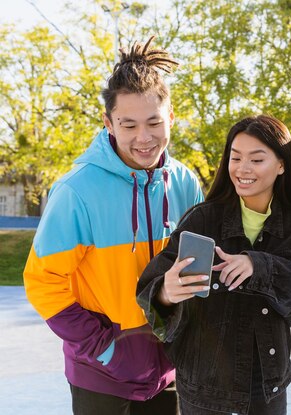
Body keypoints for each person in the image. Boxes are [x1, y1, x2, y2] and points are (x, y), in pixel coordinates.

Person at [23, 36, 204, 414]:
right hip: (102, 376)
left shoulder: (185, 182)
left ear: (171, 117)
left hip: (172, 371)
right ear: (109, 122)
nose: (144, 137)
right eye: (129, 124)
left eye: (154, 122)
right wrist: (106, 349)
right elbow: (43, 283)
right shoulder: (77, 191)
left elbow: (198, 269)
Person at [136, 114, 291, 415]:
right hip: (204, 389)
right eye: (236, 158)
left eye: (256, 159)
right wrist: (165, 293)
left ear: (282, 165)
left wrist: (257, 265)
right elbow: (150, 289)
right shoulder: (202, 219)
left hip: (268, 385)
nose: (243, 169)